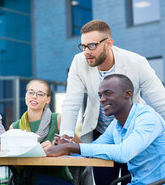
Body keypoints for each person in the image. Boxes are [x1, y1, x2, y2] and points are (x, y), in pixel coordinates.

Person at [59, 20, 165, 184]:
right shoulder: (79, 62)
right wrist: (65, 139)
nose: (86, 52)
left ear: (109, 43)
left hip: (133, 132)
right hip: (105, 130)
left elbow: (160, 102)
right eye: (83, 46)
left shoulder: (136, 62)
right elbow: (72, 101)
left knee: (131, 174)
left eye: (92, 45)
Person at [46, 74, 165, 185]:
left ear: (127, 94)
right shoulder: (116, 124)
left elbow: (124, 153)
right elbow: (95, 148)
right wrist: (69, 148)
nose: (102, 99)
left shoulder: (147, 117)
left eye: (108, 93)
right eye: (100, 95)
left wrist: (72, 147)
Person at [9, 79, 80, 185]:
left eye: (40, 94)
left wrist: (58, 148)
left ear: (48, 99)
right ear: (25, 95)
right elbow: (11, 159)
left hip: (57, 180)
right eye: (31, 92)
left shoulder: (57, 120)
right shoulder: (15, 127)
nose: (34, 96)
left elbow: (79, 147)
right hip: (26, 180)